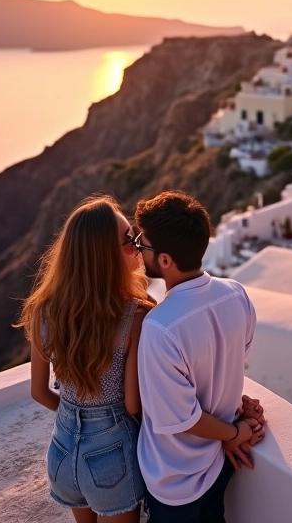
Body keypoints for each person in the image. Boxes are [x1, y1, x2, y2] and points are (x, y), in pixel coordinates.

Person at [17, 195, 155, 523]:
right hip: (112, 458)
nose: (136, 245)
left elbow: (39, 392)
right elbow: (133, 405)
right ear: (104, 255)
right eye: (128, 239)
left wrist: (78, 420)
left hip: (62, 453)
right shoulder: (135, 317)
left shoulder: (45, 311)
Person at [133, 190, 262, 523]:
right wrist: (233, 426)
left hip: (176, 481)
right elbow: (231, 366)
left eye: (142, 244)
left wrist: (236, 434)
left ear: (165, 260)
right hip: (218, 464)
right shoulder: (236, 294)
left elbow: (183, 419)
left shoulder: (159, 327)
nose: (137, 248)